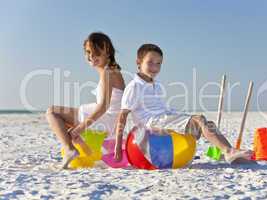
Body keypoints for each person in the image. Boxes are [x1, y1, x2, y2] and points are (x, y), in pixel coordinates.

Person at [114, 43, 253, 164]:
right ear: (138, 62)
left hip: (163, 119)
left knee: (207, 123)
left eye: (158, 63)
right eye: (150, 62)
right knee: (199, 120)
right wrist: (118, 146)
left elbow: (163, 109)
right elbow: (123, 115)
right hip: (151, 126)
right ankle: (228, 151)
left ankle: (230, 155)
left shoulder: (155, 84)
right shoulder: (134, 86)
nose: (154, 67)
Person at [46, 32, 125, 169]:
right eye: (88, 52)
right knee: (63, 124)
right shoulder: (109, 71)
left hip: (107, 118)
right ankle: (83, 148)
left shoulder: (109, 72)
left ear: (107, 51)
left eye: (96, 52)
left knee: (52, 112)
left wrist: (79, 128)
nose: (91, 56)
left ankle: (71, 149)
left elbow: (103, 107)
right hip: (109, 118)